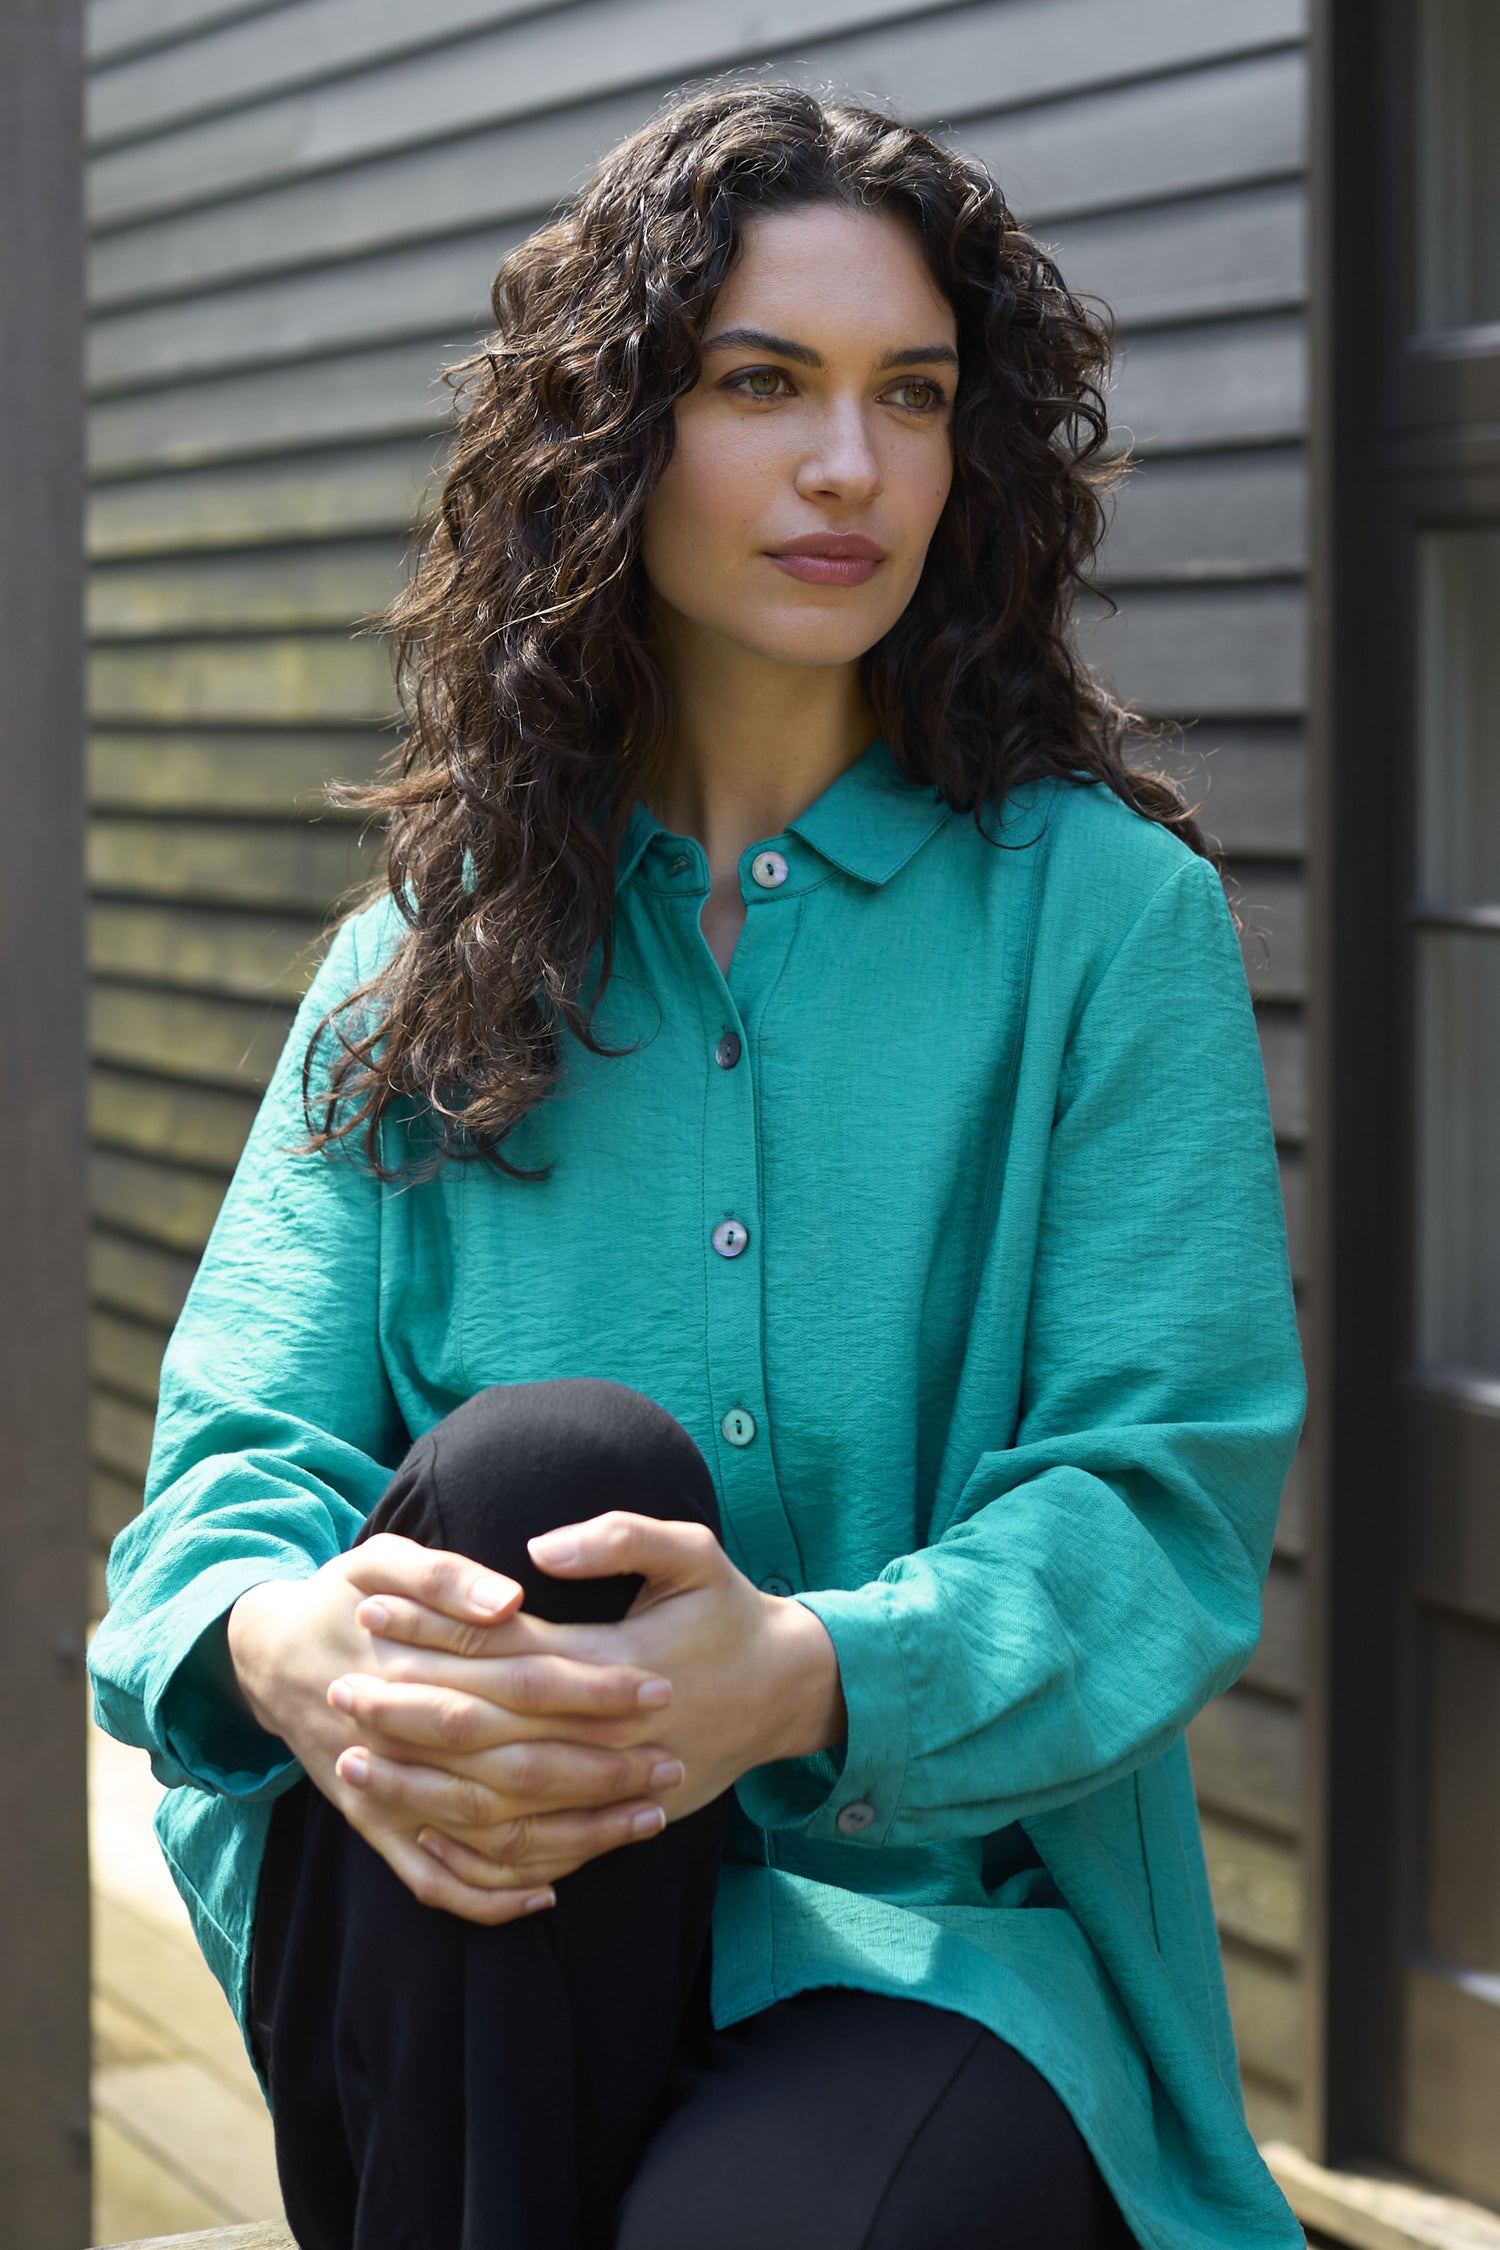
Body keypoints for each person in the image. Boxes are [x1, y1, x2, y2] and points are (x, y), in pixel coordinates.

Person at [88, 84, 1307, 2250]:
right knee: (533, 1473)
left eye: (909, 396)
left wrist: (809, 1673)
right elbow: (229, 1468)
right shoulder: (431, 941)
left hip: (930, 1951)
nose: (851, 466)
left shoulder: (1105, 924)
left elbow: (1158, 1502)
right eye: (765, 384)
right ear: (618, 433)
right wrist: (279, 1637)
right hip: (473, 1929)